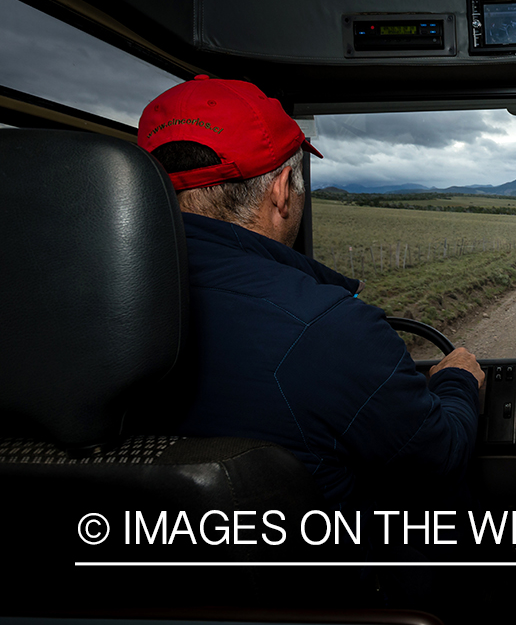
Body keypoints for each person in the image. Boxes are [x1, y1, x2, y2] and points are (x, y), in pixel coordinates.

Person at [136, 75, 486, 522]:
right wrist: (456, 383)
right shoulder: (329, 329)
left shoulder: (68, 312)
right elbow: (438, 460)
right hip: (334, 590)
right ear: (282, 189)